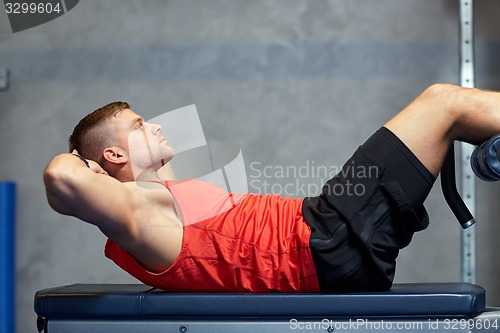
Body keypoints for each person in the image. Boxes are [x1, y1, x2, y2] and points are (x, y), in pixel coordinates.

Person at [43, 83, 498, 293]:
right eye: (139, 125)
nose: (157, 125)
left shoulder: (159, 191)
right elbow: (61, 177)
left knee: (449, 119)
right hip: (324, 243)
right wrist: (86, 162)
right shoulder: (136, 214)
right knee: (444, 104)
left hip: (326, 239)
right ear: (113, 158)